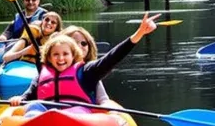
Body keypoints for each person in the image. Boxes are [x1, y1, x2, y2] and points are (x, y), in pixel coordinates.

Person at [10, 12, 159, 107]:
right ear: (49, 55)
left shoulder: (87, 71)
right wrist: (19, 99)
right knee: (34, 107)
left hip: (78, 116)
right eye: (56, 54)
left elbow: (112, 58)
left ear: (73, 54)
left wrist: (138, 34)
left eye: (83, 43)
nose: (61, 58)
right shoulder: (43, 73)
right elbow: (29, 96)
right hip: (45, 117)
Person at [62, 25, 112, 104]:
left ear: (89, 48)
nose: (79, 46)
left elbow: (104, 100)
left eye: (84, 43)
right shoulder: (49, 70)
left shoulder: (89, 72)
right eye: (74, 42)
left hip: (84, 110)